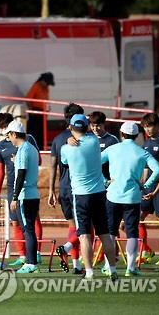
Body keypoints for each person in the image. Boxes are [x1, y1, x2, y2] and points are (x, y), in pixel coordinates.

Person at [58, 114, 118, 281]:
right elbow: (88, 133)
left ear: (70, 128)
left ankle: (90, 272)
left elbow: (64, 163)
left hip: (80, 196)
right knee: (105, 234)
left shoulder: (66, 148)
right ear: (87, 127)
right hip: (99, 193)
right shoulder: (94, 142)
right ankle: (112, 270)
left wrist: (69, 140)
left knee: (84, 235)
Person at [100, 121, 159, 276]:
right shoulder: (142, 152)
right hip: (132, 197)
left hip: (113, 195)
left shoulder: (112, 148)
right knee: (132, 233)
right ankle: (131, 268)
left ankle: (108, 266)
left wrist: (104, 181)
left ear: (121, 134)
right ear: (136, 135)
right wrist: (145, 184)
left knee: (111, 232)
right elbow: (158, 170)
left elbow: (94, 163)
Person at [0, 112, 43, 266]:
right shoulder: (1, 145)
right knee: (16, 222)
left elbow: (36, 161)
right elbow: (0, 170)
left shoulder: (26, 142)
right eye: (0, 127)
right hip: (12, 187)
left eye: (5, 127)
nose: (3, 130)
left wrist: (19, 161)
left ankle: (35, 254)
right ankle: (23, 256)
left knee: (32, 221)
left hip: (25, 187)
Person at [48, 103, 85, 274]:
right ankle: (68, 248)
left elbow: (53, 165)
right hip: (79, 188)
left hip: (63, 188)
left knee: (72, 226)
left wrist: (51, 190)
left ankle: (77, 265)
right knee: (86, 227)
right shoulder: (83, 138)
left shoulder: (57, 139)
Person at [4, 120, 41, 273]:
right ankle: (32, 262)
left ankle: (31, 263)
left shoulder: (23, 150)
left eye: (9, 135)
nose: (9, 139)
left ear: (14, 134)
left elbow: (20, 175)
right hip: (33, 194)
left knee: (28, 230)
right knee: (29, 228)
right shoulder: (31, 148)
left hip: (25, 195)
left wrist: (14, 197)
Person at [88, 111, 119, 261]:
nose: (95, 128)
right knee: (92, 220)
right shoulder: (87, 140)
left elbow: (119, 161)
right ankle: (97, 252)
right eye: (93, 125)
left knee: (108, 220)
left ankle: (111, 255)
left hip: (108, 186)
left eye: (98, 125)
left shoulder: (112, 140)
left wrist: (113, 179)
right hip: (92, 185)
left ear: (104, 124)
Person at [138, 113, 159, 265]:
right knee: (139, 217)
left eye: (149, 126)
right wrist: (142, 184)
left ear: (157, 126)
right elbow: (145, 166)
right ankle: (145, 250)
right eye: (145, 127)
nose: (147, 129)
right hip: (148, 184)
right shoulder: (147, 142)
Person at [25, 72, 54, 149]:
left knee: (41, 131)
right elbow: (28, 99)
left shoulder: (46, 88)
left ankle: (40, 147)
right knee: (34, 131)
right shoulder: (36, 86)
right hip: (35, 112)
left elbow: (46, 100)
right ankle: (33, 146)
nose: (47, 85)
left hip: (43, 112)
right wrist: (31, 111)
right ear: (43, 81)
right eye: (47, 83)